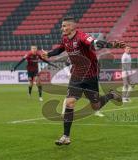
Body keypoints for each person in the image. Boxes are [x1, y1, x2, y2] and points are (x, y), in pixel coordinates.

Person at [41, 16, 126, 145]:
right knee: (69, 103)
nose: (62, 28)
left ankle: (111, 95)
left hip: (90, 74)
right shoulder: (65, 38)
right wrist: (49, 54)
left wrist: (110, 44)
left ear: (73, 26)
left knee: (95, 105)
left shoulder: (82, 36)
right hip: (76, 75)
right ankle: (66, 136)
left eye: (65, 26)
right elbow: (60, 48)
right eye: (62, 26)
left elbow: (95, 43)